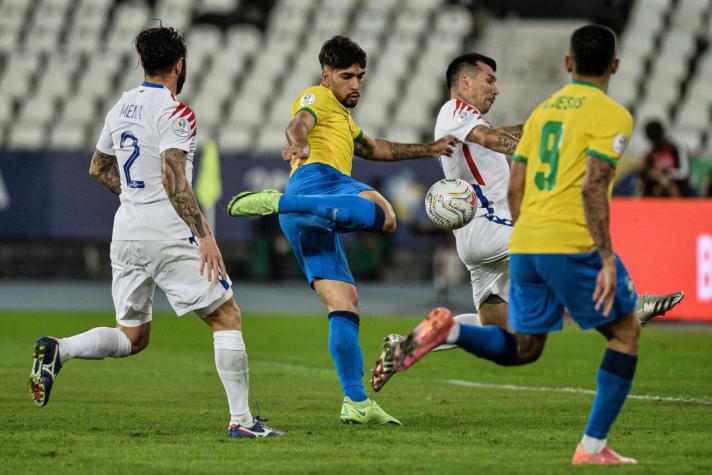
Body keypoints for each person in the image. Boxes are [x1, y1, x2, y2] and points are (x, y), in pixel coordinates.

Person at [383, 24, 670, 465]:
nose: (495, 89)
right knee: (559, 242)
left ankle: (424, 337)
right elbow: (493, 141)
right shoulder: (455, 110)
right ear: (465, 83)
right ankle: (629, 308)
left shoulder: (470, 116)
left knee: (508, 336)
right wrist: (543, 141)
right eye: (489, 80)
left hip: (478, 240)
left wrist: (538, 130)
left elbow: (507, 137)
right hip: (492, 226)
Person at [28, 26, 282, 439]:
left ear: (142, 63)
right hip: (167, 230)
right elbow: (172, 176)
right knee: (226, 317)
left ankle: (61, 348)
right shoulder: (176, 111)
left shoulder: (121, 106)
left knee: (133, 336)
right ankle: (242, 421)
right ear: (180, 65)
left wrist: (134, 199)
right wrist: (204, 234)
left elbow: (97, 167)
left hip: (127, 230)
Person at [226, 35, 459, 425]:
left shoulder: (344, 118)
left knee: (345, 303)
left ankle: (355, 401)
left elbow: (373, 147)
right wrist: (299, 145)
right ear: (326, 75)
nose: (356, 84)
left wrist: (427, 149)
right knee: (385, 216)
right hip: (318, 183)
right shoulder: (316, 97)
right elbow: (297, 125)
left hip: (308, 212)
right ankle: (280, 200)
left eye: (361, 77)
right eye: (347, 76)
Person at [639, 119, 696, 197]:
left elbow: (684, 173)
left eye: (657, 138)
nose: (656, 142)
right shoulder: (650, 154)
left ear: (662, 134)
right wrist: (646, 171)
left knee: (666, 182)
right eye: (653, 140)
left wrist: (665, 172)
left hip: (680, 188)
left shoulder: (676, 149)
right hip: (658, 190)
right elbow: (646, 174)